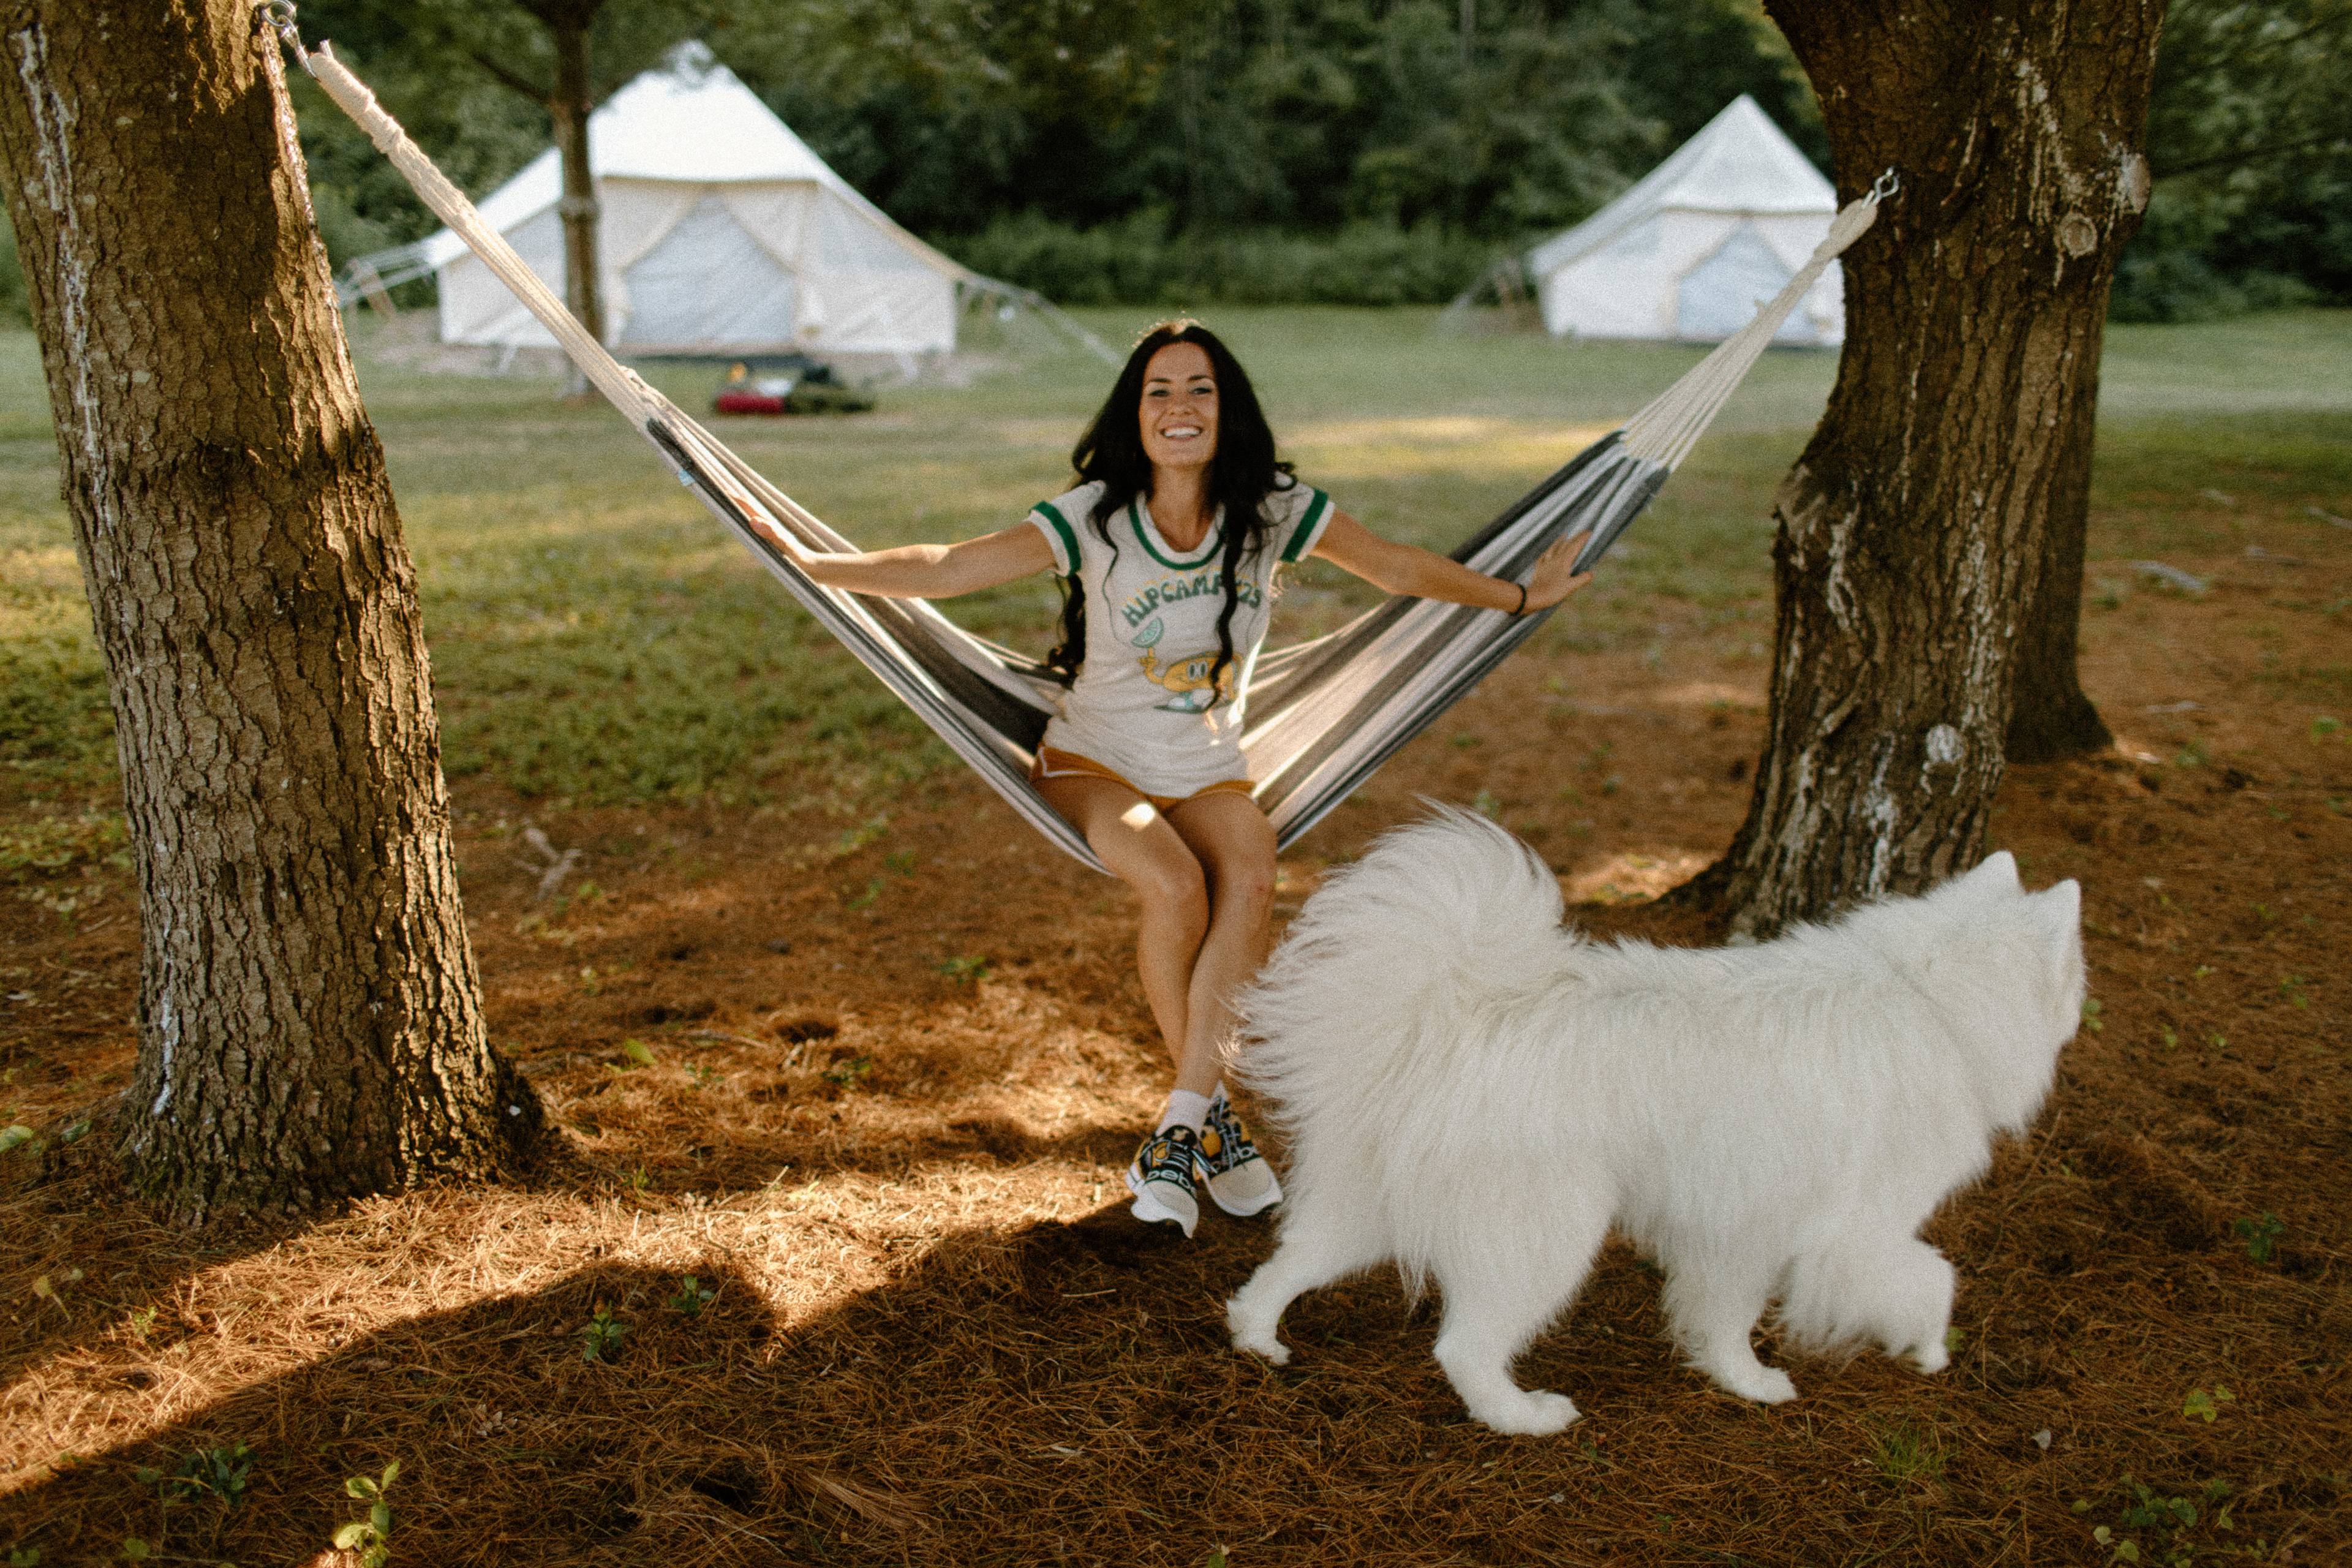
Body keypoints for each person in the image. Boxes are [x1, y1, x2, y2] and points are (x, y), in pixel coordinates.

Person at [761, 320, 1592, 1238]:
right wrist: (812, 563)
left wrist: (1521, 597)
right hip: (1091, 761)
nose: (1180, 407)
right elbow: (950, 568)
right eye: (1159, 391)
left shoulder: (1272, 510)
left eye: (1199, 389)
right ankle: (1211, 1128)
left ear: (1225, 410)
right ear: (1136, 415)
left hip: (1207, 766)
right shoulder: (1095, 519)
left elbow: (1394, 566)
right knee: (1174, 884)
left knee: (1255, 872)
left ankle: (1187, 1126)